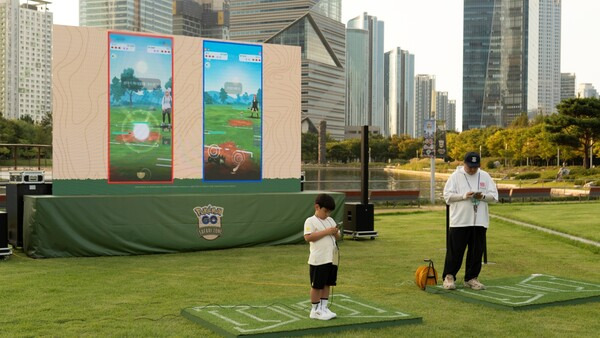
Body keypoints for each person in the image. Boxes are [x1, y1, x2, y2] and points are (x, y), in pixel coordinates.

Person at [442, 152, 498, 291]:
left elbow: (494, 196)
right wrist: (463, 196)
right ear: (464, 163)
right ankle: (449, 277)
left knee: (476, 252)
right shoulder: (455, 176)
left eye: (475, 167)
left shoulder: (484, 175)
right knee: (455, 251)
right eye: (470, 167)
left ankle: (471, 278)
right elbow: (447, 196)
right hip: (460, 221)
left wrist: (482, 196)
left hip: (479, 221)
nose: (472, 170)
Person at [303, 194, 341, 320]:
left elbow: (338, 236)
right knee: (317, 285)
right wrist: (326, 232)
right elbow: (308, 237)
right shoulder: (310, 221)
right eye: (325, 211)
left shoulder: (330, 220)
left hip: (331, 258)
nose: (327, 214)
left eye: (329, 212)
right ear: (317, 207)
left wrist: (335, 232)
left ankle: (324, 308)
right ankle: (315, 310)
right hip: (318, 260)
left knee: (327, 283)